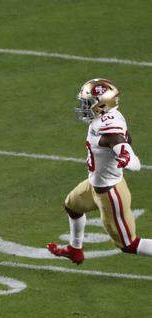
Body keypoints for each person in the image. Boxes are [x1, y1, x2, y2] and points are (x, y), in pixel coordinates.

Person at [48, 78, 150, 263]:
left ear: (102, 104)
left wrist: (128, 159)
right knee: (72, 206)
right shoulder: (105, 118)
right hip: (95, 185)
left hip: (110, 194)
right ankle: (75, 249)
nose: (84, 106)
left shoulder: (108, 129)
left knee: (129, 245)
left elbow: (126, 151)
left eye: (87, 103)